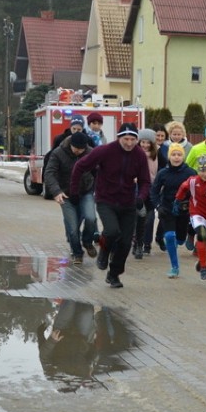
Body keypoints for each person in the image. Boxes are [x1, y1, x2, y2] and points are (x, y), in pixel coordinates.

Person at [69, 123, 151, 289]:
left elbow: (145, 181)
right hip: (106, 199)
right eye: (126, 139)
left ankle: (114, 274)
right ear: (119, 137)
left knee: (126, 242)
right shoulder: (105, 151)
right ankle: (104, 252)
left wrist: (141, 197)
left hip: (128, 202)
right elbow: (80, 166)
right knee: (112, 231)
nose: (129, 143)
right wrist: (74, 191)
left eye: (133, 139)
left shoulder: (140, 155)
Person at [44, 131, 97, 264]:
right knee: (72, 228)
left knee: (91, 218)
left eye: (81, 149)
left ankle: (87, 241)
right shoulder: (58, 153)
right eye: (76, 149)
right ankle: (77, 252)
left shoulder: (90, 153)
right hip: (66, 194)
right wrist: (56, 192)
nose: (79, 151)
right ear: (71, 145)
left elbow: (99, 171)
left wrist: (97, 188)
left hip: (86, 192)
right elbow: (49, 173)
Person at [150, 142, 196, 278]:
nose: (176, 157)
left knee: (180, 239)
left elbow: (197, 192)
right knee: (169, 236)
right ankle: (174, 267)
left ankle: (182, 238)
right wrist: (158, 206)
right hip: (167, 209)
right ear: (169, 156)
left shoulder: (190, 173)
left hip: (184, 211)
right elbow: (154, 192)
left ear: (183, 156)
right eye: (174, 155)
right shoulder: (163, 173)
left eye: (179, 154)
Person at [133, 128, 159, 258]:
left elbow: (162, 171)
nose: (145, 145)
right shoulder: (134, 154)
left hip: (152, 189)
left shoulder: (157, 155)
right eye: (143, 142)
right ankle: (137, 243)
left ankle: (146, 243)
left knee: (149, 218)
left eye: (148, 142)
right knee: (137, 217)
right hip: (137, 188)